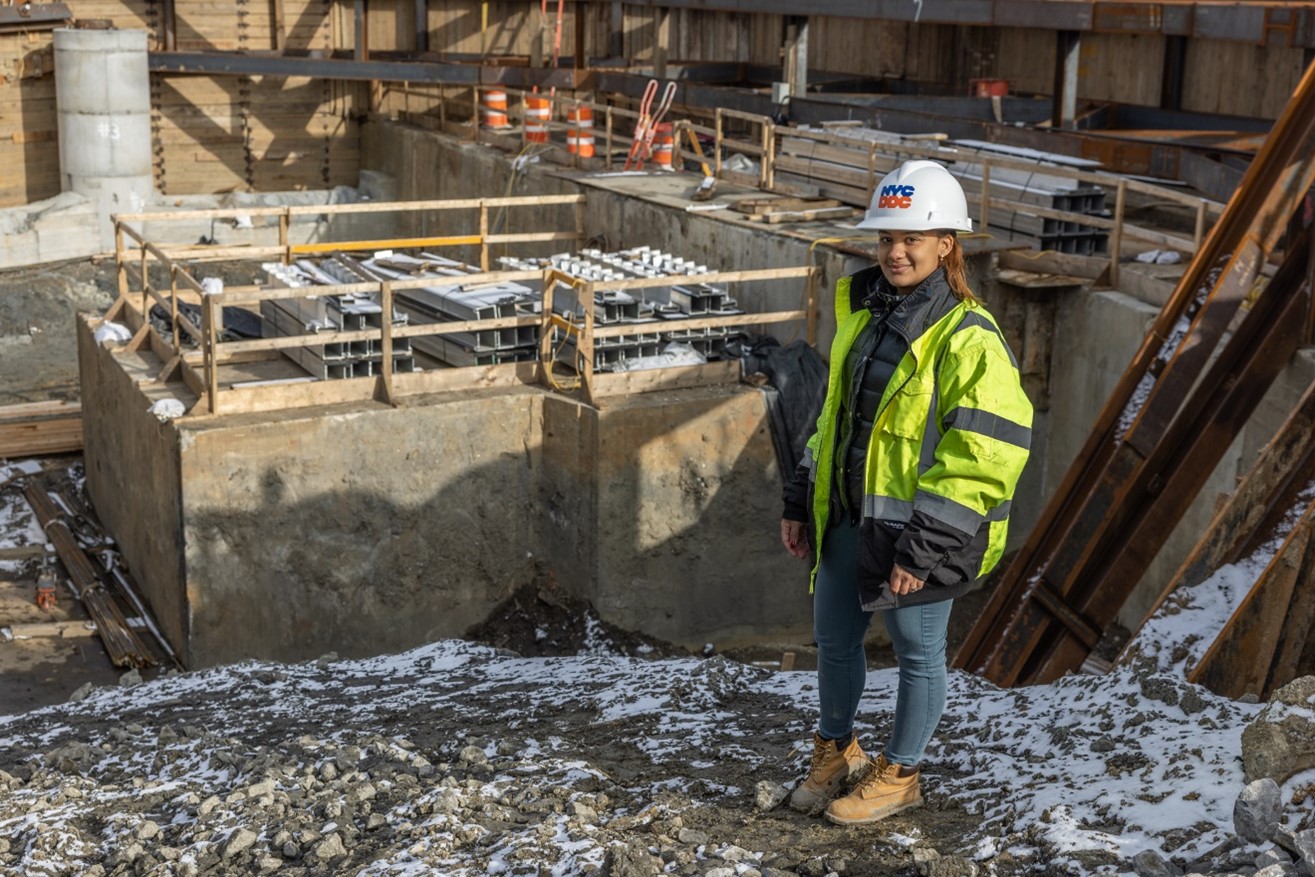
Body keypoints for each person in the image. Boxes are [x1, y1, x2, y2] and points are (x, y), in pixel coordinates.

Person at [780, 159, 1032, 826]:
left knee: (917, 651)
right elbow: (834, 418)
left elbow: (985, 453)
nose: (894, 251)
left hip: (919, 534)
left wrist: (922, 549)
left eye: (911, 239)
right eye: (886, 238)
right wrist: (800, 494)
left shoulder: (968, 336)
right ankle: (835, 752)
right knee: (833, 638)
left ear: (946, 244)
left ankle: (902, 773)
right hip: (847, 518)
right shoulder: (862, 316)